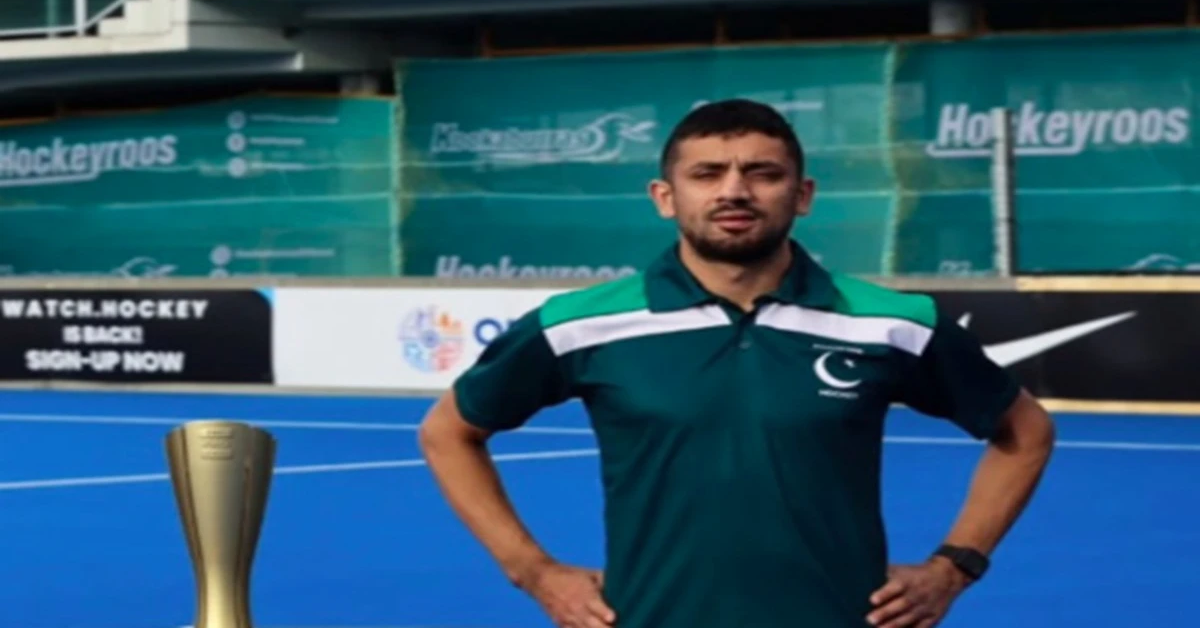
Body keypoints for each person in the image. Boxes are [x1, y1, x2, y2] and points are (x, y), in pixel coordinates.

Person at [418, 98, 1056, 628]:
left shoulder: (892, 323)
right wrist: (533, 571)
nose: (734, 191)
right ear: (665, 197)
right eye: (706, 174)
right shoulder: (580, 324)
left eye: (762, 173)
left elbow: (1025, 432)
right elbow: (448, 432)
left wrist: (954, 567)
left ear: (802, 194)